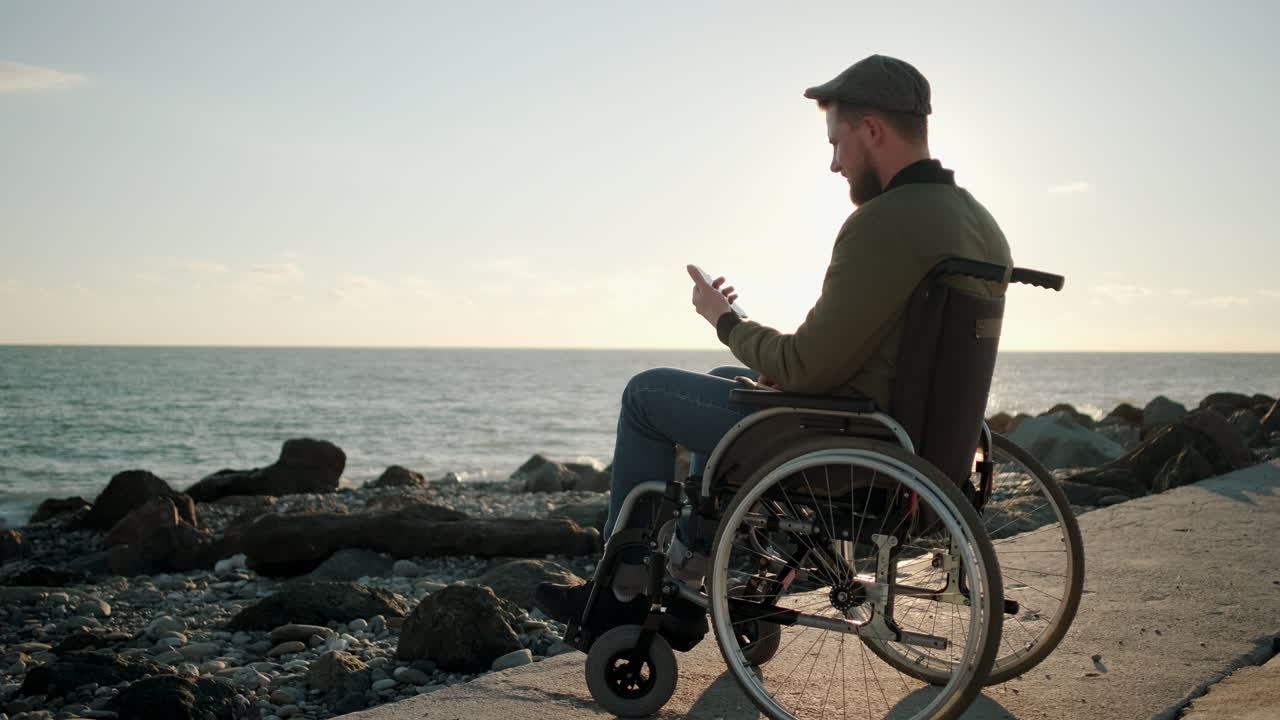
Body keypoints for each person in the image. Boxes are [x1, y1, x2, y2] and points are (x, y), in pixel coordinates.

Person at [534, 54, 1012, 625]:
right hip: (915, 443)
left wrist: (726, 321)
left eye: (836, 143)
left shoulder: (886, 221)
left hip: (849, 446)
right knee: (723, 384)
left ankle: (620, 592)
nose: (834, 164)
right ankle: (691, 570)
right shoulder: (980, 224)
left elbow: (806, 364)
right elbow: (882, 352)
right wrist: (779, 367)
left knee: (645, 395)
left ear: (873, 130)